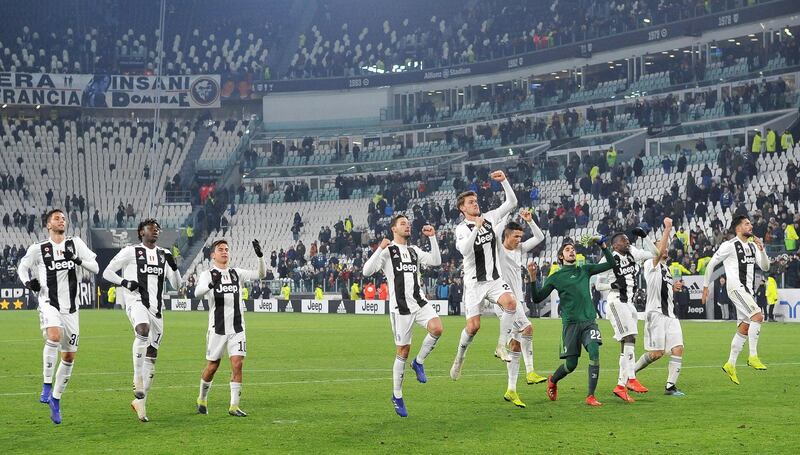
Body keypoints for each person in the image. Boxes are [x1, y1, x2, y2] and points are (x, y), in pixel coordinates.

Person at [449, 170, 529, 408]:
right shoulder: (462, 228)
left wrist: (504, 181)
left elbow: (512, 202)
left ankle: (500, 345)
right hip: (474, 284)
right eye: (471, 202)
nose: (476, 204)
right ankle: (459, 358)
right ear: (462, 208)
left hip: (493, 280)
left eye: (476, 201)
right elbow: (464, 251)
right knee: (473, 327)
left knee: (511, 303)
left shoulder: (492, 217)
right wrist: (476, 227)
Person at [17, 209, 99, 424]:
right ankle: (46, 385)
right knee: (53, 336)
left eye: (63, 218)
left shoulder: (76, 244)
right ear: (48, 225)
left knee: (69, 358)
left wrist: (77, 260)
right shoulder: (39, 249)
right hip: (48, 302)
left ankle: (56, 399)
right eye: (56, 218)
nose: (61, 220)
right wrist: (27, 283)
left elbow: (95, 267)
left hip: (71, 308)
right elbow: (22, 268)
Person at [102, 218, 181, 422]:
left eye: (157, 229)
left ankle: (141, 403)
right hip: (136, 300)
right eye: (151, 228)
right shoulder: (130, 251)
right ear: (141, 232)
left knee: (152, 355)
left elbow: (177, 284)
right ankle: (136, 377)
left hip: (157, 309)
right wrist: (124, 281)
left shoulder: (165, 255)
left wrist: (175, 266)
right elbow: (107, 272)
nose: (155, 231)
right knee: (142, 330)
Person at [363, 215, 442, 417]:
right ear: (394, 229)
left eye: (408, 223)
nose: (407, 226)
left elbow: (435, 261)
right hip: (401, 308)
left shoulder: (414, 251)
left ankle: (419, 362)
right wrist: (380, 248)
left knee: (437, 328)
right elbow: (366, 271)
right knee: (403, 351)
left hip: (420, 301)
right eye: (402, 224)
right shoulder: (388, 252)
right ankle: (397, 395)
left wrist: (433, 238)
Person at [529, 236, 614, 406]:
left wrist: (603, 245)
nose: (571, 251)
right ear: (561, 256)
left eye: (573, 249)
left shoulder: (585, 270)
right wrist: (532, 278)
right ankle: (553, 380)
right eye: (567, 250)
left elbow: (611, 264)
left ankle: (590, 396)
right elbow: (537, 298)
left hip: (589, 321)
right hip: (571, 325)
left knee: (594, 353)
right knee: (571, 364)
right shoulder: (556, 277)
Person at [194, 239, 266, 417]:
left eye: (226, 249)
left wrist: (260, 257)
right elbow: (197, 293)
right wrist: (211, 284)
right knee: (212, 366)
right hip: (217, 328)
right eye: (220, 249)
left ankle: (234, 406)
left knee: (237, 364)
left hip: (237, 328)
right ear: (213, 255)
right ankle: (202, 398)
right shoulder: (207, 274)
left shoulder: (236, 273)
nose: (224, 252)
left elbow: (261, 274)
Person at [701, 215, 770, 384]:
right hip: (736, 288)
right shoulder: (729, 245)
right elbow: (711, 264)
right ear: (738, 228)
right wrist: (705, 287)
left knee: (744, 328)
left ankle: (730, 363)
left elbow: (766, 267)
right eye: (747, 224)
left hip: (747, 291)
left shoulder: (753, 246)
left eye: (751, 223)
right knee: (758, 316)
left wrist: (762, 249)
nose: (751, 226)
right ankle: (753, 356)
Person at [595, 226, 655, 402]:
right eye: (623, 240)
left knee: (627, 344)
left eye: (627, 239)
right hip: (616, 302)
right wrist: (611, 286)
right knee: (629, 338)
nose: (627, 241)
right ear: (614, 246)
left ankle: (621, 386)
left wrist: (646, 236)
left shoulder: (633, 254)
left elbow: (655, 253)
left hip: (629, 303)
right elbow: (598, 285)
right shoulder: (609, 259)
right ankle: (632, 379)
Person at [490, 208, 547, 386]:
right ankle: (530, 372)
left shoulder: (519, 250)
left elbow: (539, 238)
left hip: (518, 300)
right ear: (506, 236)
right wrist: (506, 213)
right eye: (515, 237)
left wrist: (530, 221)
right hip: (504, 301)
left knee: (515, 344)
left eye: (520, 237)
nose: (519, 240)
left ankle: (511, 389)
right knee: (528, 329)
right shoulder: (498, 250)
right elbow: (495, 233)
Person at [632, 218, 686, 396]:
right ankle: (628, 374)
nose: (665, 248)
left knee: (678, 348)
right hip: (655, 314)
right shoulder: (650, 263)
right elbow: (657, 252)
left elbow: (662, 288)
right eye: (661, 245)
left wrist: (673, 288)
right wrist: (667, 229)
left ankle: (670, 386)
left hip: (670, 315)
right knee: (656, 353)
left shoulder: (667, 269)